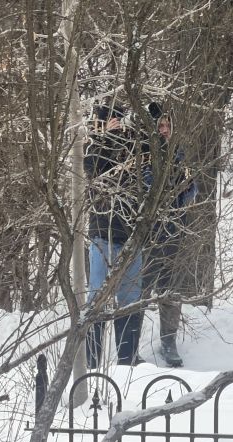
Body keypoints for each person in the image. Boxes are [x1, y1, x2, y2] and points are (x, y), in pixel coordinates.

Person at [83, 101, 148, 367]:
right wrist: (107, 137)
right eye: (110, 121)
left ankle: (127, 360)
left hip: (132, 234)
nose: (116, 125)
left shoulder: (134, 146)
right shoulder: (93, 145)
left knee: (130, 299)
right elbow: (95, 168)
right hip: (102, 234)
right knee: (97, 298)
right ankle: (91, 361)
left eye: (118, 121)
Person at [141, 104, 197, 368]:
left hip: (174, 230)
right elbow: (146, 187)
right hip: (147, 234)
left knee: (171, 289)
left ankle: (168, 341)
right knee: (140, 290)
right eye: (160, 126)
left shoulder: (179, 154)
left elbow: (191, 189)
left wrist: (185, 190)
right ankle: (129, 343)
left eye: (167, 126)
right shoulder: (143, 154)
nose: (164, 130)